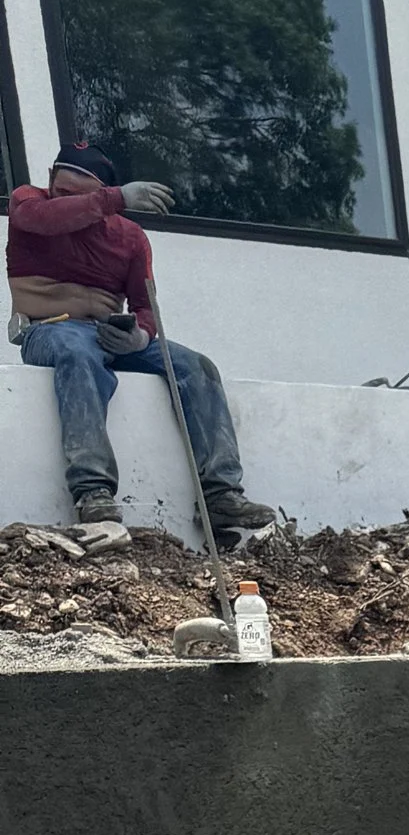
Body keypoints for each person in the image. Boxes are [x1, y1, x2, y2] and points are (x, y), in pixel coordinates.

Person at [8, 143, 273, 539]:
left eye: (83, 195)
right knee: (78, 352)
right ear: (49, 180)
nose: (69, 202)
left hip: (109, 334)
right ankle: (92, 490)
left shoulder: (130, 237)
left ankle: (220, 493)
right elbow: (43, 218)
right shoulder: (28, 202)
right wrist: (113, 199)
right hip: (49, 329)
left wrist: (140, 336)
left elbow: (145, 306)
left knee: (195, 365)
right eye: (62, 191)